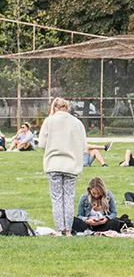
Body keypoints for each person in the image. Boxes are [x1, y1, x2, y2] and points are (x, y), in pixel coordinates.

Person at [40, 98, 87, 236]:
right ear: (68, 108)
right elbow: (84, 145)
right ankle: (68, 230)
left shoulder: (49, 121)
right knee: (68, 197)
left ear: (54, 108)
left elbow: (42, 144)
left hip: (53, 164)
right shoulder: (77, 123)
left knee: (57, 198)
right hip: (71, 165)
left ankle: (59, 229)